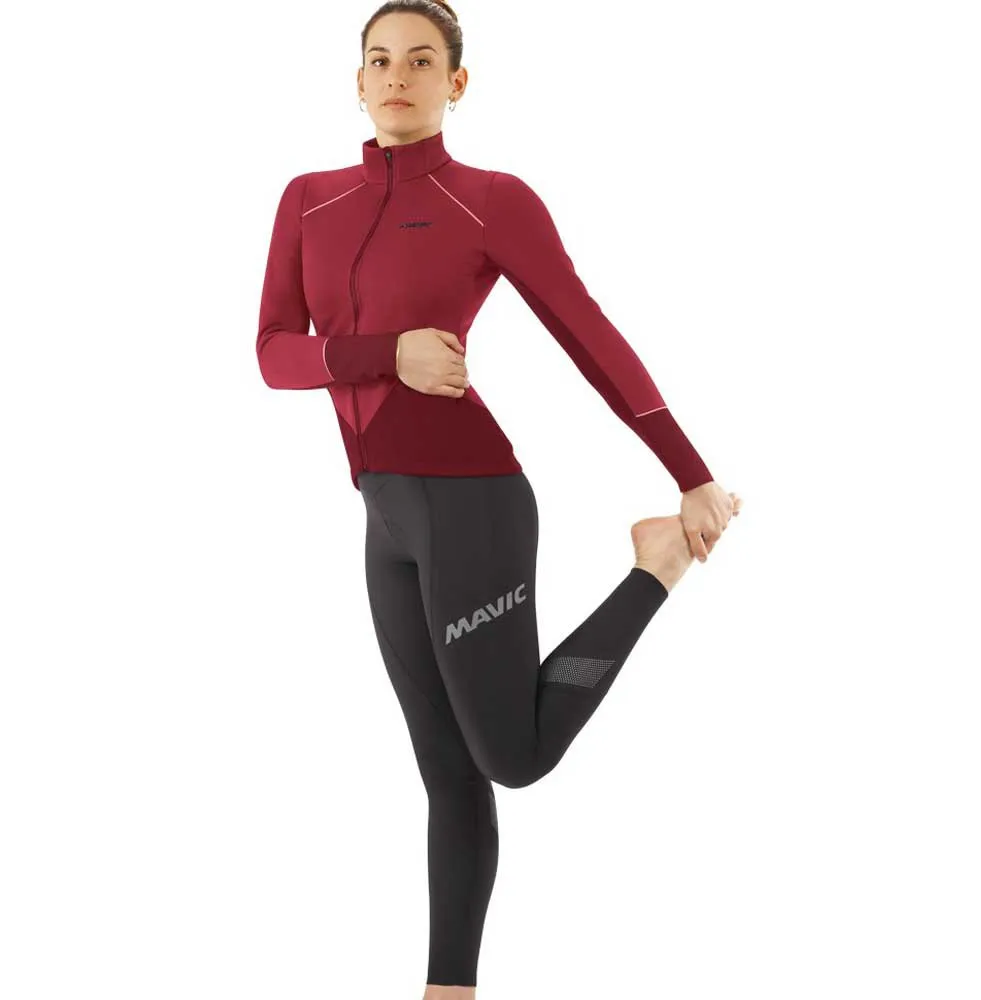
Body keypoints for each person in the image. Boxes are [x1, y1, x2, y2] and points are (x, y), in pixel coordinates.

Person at [256, 2, 743, 996]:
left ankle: (655, 565)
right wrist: (384, 353)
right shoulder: (306, 200)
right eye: (379, 60)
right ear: (357, 80)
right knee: (447, 773)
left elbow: (588, 334)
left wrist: (690, 473)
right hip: (384, 516)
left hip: (472, 498)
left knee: (512, 758)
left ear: (456, 83)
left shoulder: (490, 199)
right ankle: (450, 989)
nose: (398, 76)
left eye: (420, 60)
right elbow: (273, 354)